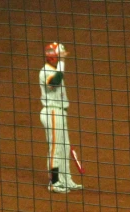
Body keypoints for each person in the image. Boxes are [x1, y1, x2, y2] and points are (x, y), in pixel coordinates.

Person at [39, 42, 82, 194]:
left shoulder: (54, 69)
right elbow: (55, 82)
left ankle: (66, 180)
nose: (61, 58)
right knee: (55, 148)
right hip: (52, 112)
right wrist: (63, 62)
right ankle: (54, 182)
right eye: (60, 56)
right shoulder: (45, 71)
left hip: (60, 113)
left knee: (64, 148)